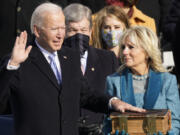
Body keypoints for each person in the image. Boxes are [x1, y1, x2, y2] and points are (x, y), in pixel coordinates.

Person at [0, 2, 145, 135]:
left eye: (63, 28)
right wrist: (12, 66)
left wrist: (113, 102)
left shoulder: (70, 56)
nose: (60, 34)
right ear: (37, 31)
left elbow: (84, 93)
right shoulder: (18, 60)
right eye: (54, 29)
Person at [104, 26, 180, 134]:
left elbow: (175, 121)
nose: (125, 52)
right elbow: (107, 123)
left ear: (147, 51)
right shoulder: (113, 81)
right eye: (123, 47)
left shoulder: (167, 81)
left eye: (131, 47)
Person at [63, 3, 118, 135]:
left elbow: (115, 93)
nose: (79, 35)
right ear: (64, 31)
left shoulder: (107, 58)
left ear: (91, 31)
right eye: (73, 30)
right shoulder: (56, 59)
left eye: (83, 30)